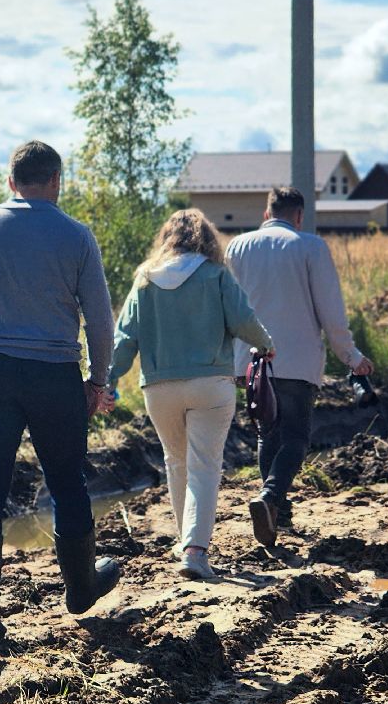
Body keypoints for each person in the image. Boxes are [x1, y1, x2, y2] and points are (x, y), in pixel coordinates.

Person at [0, 141, 120, 648]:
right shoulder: (77, 236)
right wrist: (97, 382)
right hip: (55, 374)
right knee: (67, 481)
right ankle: (81, 589)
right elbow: (100, 322)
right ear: (56, 181)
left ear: (11, 182)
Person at [108, 210, 274, 580]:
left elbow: (124, 338)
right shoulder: (216, 274)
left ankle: (187, 541)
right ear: (207, 239)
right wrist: (266, 344)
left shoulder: (145, 279)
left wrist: (108, 381)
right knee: (204, 467)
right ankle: (195, 552)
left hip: (159, 388)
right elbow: (243, 319)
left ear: (167, 238)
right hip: (210, 385)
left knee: (176, 461)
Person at [226, 186, 373, 547]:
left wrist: (229, 359)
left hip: (251, 360)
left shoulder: (237, 247)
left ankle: (279, 513)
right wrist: (351, 357)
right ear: (299, 216)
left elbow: (227, 306)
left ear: (266, 214)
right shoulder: (310, 247)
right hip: (296, 358)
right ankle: (270, 497)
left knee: (268, 435)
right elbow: (331, 311)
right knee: (295, 438)